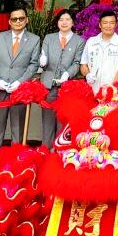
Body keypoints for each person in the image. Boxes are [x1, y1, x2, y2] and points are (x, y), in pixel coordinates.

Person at [0, 6, 41, 156]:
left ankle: (17, 166)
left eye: (21, 18)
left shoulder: (34, 39)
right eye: (14, 19)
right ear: (9, 21)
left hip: (19, 92)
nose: (18, 21)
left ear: (26, 20)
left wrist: (20, 82)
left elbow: (33, 64)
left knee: (18, 131)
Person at [39, 10, 85, 149]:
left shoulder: (79, 41)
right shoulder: (49, 38)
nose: (64, 22)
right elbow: (43, 57)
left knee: (63, 121)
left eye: (67, 19)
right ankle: (45, 151)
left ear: (72, 22)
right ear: (57, 22)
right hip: (48, 84)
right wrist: (42, 61)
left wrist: (67, 74)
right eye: (61, 19)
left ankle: (60, 152)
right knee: (47, 121)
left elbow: (77, 62)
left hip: (67, 86)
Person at [80, 10, 118, 93]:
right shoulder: (91, 41)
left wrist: (110, 90)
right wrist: (87, 75)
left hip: (112, 92)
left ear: (116, 24)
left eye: (112, 22)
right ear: (100, 25)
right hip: (91, 91)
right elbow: (83, 65)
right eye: (105, 22)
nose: (108, 26)